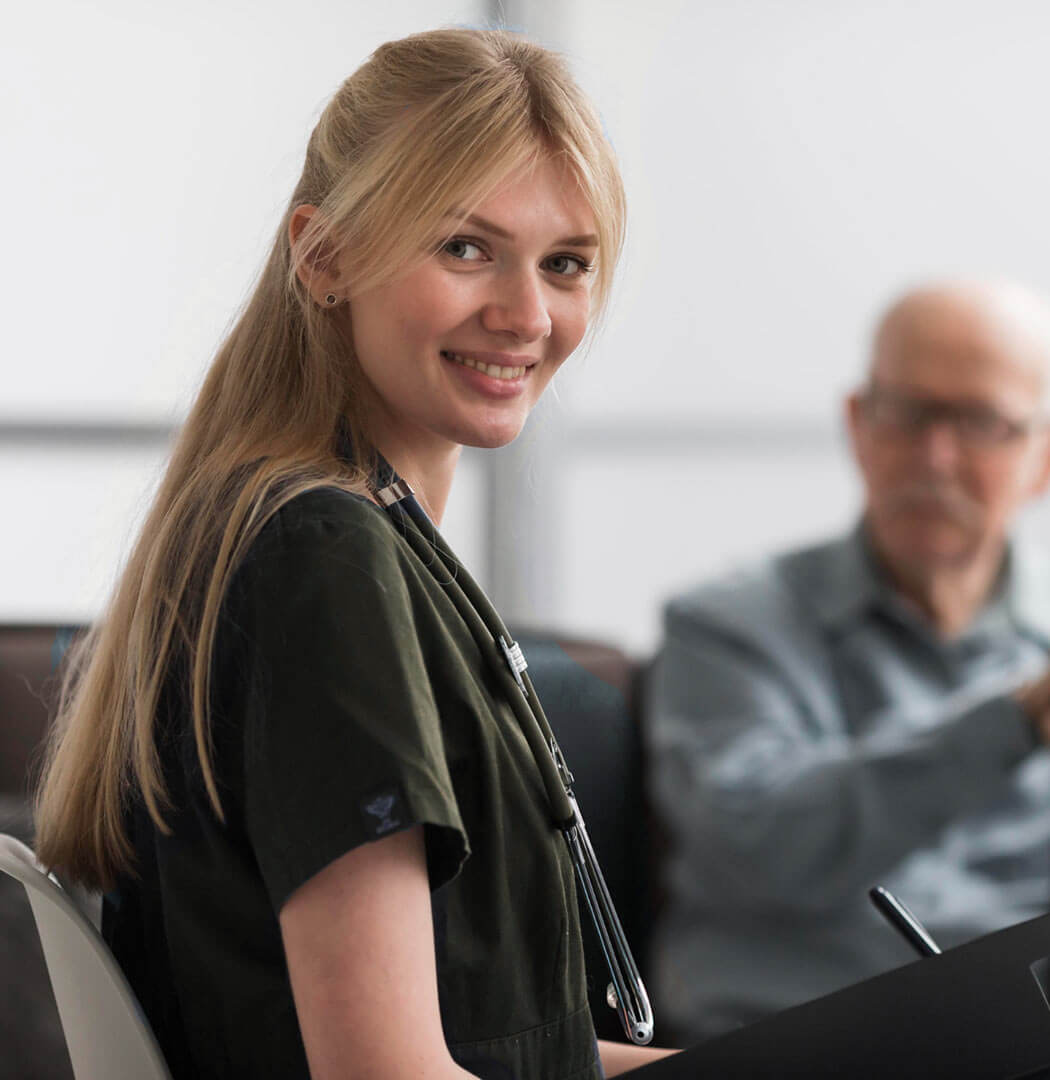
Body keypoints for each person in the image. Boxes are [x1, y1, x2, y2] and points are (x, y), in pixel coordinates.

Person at [33, 29, 676, 1079]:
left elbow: (504, 1051)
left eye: (565, 264)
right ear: (324, 256)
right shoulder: (324, 558)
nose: (526, 316)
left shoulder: (315, 527)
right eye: (466, 248)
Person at [647, 282, 1050, 1042]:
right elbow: (761, 847)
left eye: (982, 423)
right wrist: (1017, 720)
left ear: (1042, 460)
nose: (937, 458)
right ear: (859, 425)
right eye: (910, 414)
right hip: (797, 1048)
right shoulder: (728, 626)